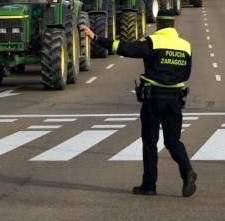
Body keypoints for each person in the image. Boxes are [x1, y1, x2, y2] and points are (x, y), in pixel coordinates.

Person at [83, 16, 196, 197]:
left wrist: (96, 38)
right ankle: (188, 172)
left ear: (158, 25)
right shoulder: (185, 45)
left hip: (153, 99)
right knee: (173, 142)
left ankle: (149, 186)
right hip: (175, 100)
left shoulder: (153, 42)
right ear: (173, 25)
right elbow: (187, 74)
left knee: (150, 143)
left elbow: (124, 48)